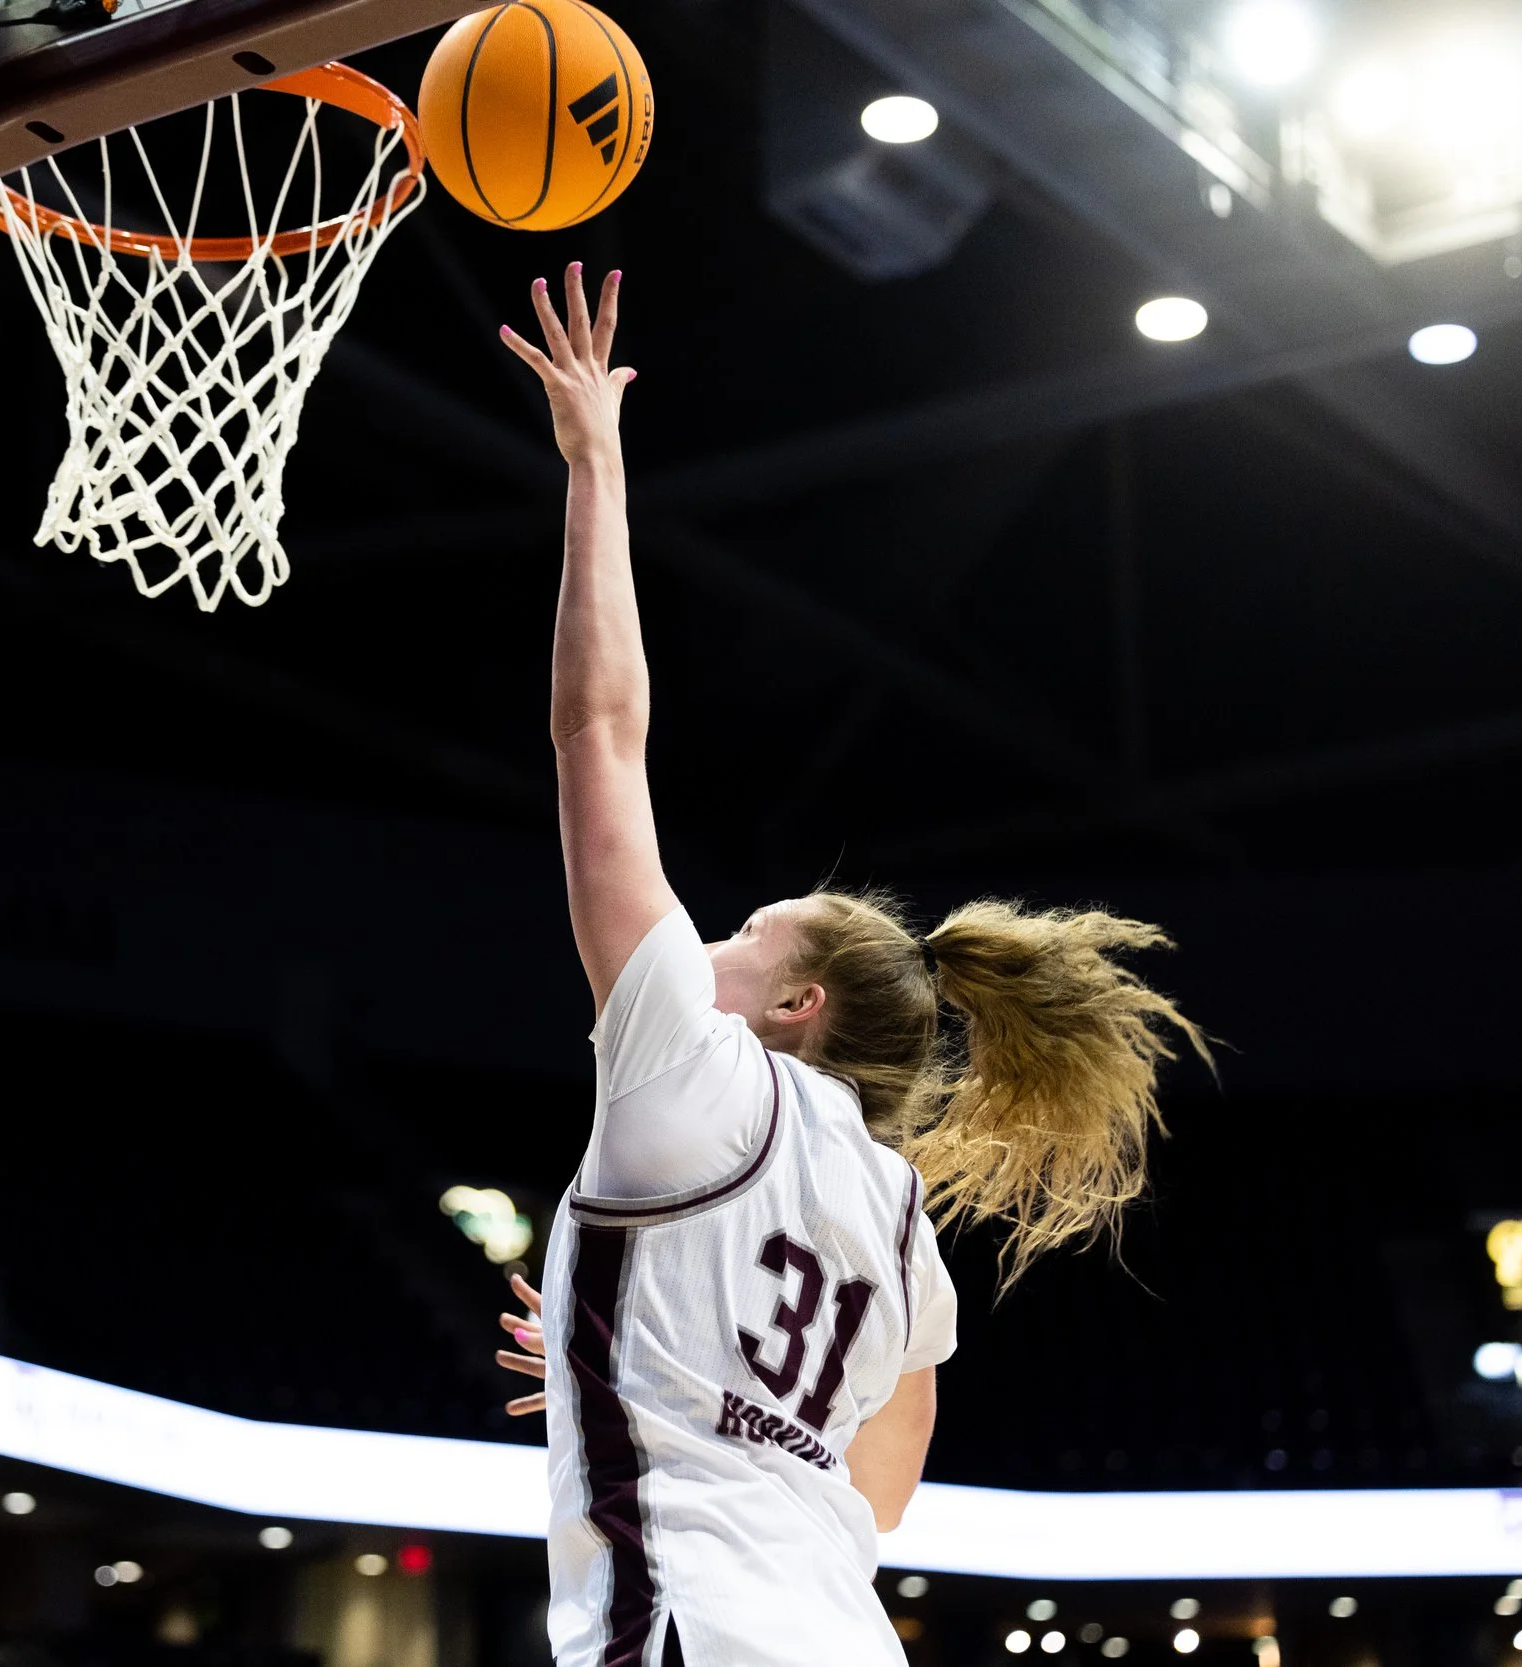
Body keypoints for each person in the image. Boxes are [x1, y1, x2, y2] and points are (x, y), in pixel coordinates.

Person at [489, 266, 1210, 1667]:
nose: (700, 946)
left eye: (740, 936)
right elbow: (891, 1443)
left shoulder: (694, 1071)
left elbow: (599, 733)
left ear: (794, 1005)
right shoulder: (889, 1211)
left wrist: (596, 464)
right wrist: (634, 1367)